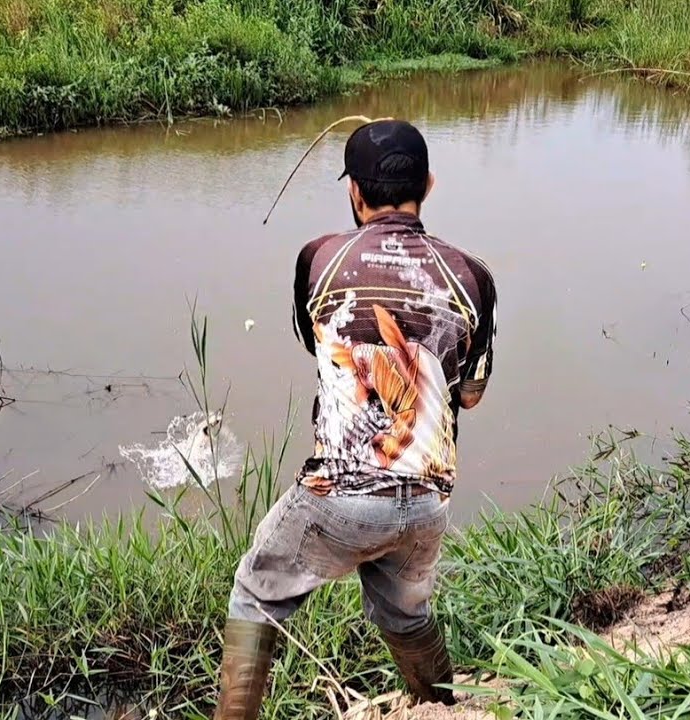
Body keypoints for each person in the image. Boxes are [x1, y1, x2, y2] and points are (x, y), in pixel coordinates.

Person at [213, 119, 497, 719]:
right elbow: (469, 394)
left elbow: (316, 345)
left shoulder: (318, 259)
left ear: (354, 194)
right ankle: (440, 708)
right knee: (404, 614)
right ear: (429, 183)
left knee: (255, 592)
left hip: (339, 494)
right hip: (426, 502)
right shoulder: (473, 278)